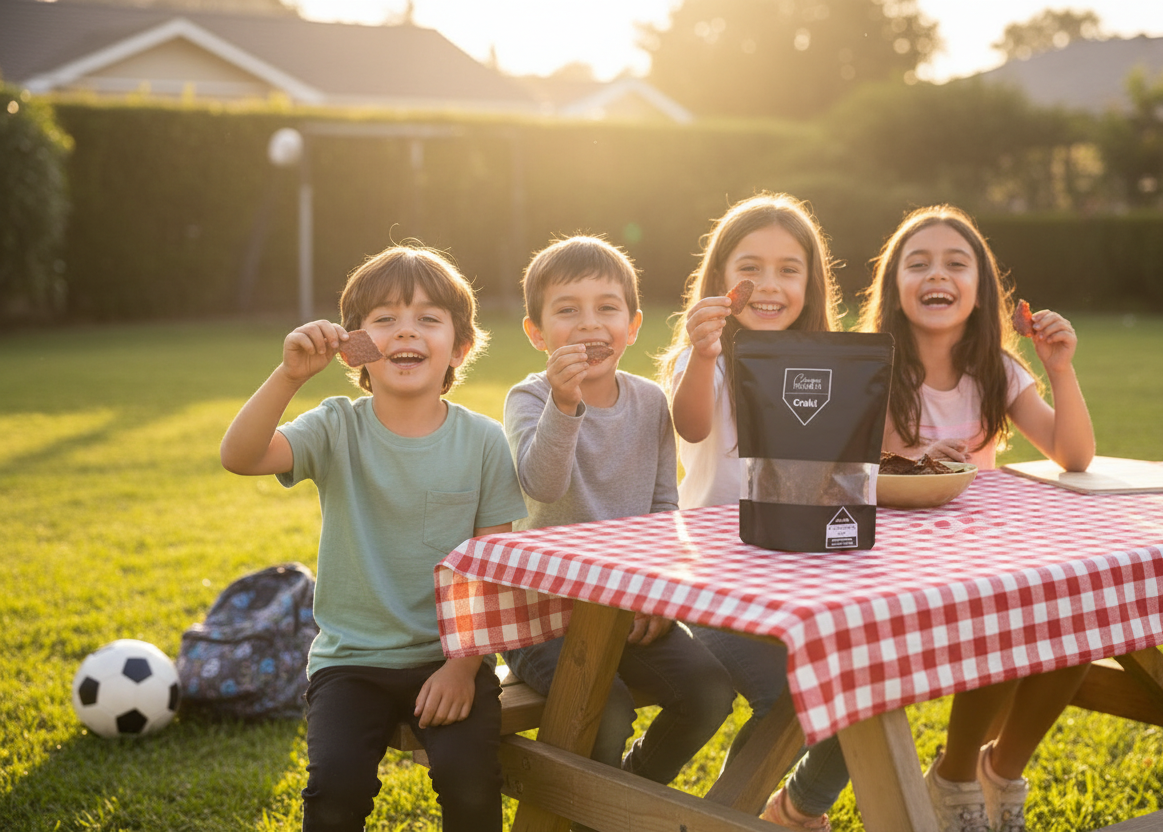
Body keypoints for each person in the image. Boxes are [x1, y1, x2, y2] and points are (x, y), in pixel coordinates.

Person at [219, 244, 528, 832]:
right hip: (350, 663)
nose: (404, 330)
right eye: (384, 319)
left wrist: (463, 668)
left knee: (470, 786)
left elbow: (490, 567)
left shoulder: (485, 442)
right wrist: (289, 375)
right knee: (334, 792)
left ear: (460, 347)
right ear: (354, 347)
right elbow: (241, 455)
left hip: (449, 656)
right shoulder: (336, 426)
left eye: (427, 318)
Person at [857, 204, 1095, 832]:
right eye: (920, 263)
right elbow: (843, 469)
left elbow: (1073, 454)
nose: (938, 274)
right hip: (898, 559)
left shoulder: (998, 371)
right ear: (894, 286)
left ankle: (1000, 769)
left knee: (1078, 617)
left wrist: (1060, 369)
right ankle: (957, 773)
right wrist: (913, 459)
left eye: (956, 263)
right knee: (1011, 620)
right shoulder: (870, 370)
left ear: (981, 290)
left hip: (984, 552)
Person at [501, 235, 737, 803]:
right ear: (536, 333)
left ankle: (621, 798)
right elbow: (543, 486)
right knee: (603, 709)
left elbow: (663, 509)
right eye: (567, 310)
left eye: (606, 308)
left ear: (632, 326)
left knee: (709, 690)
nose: (589, 325)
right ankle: (592, 812)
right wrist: (565, 404)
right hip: (543, 614)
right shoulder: (528, 400)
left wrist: (657, 597)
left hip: (628, 607)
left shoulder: (651, 401)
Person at [656, 192, 848, 832]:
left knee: (866, 689)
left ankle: (791, 812)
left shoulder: (828, 362)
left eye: (788, 269)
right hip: (715, 578)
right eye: (751, 267)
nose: (769, 285)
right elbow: (688, 427)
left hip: (802, 573)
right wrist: (706, 352)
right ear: (720, 282)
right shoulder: (702, 358)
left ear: (810, 283)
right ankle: (716, 821)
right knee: (791, 702)